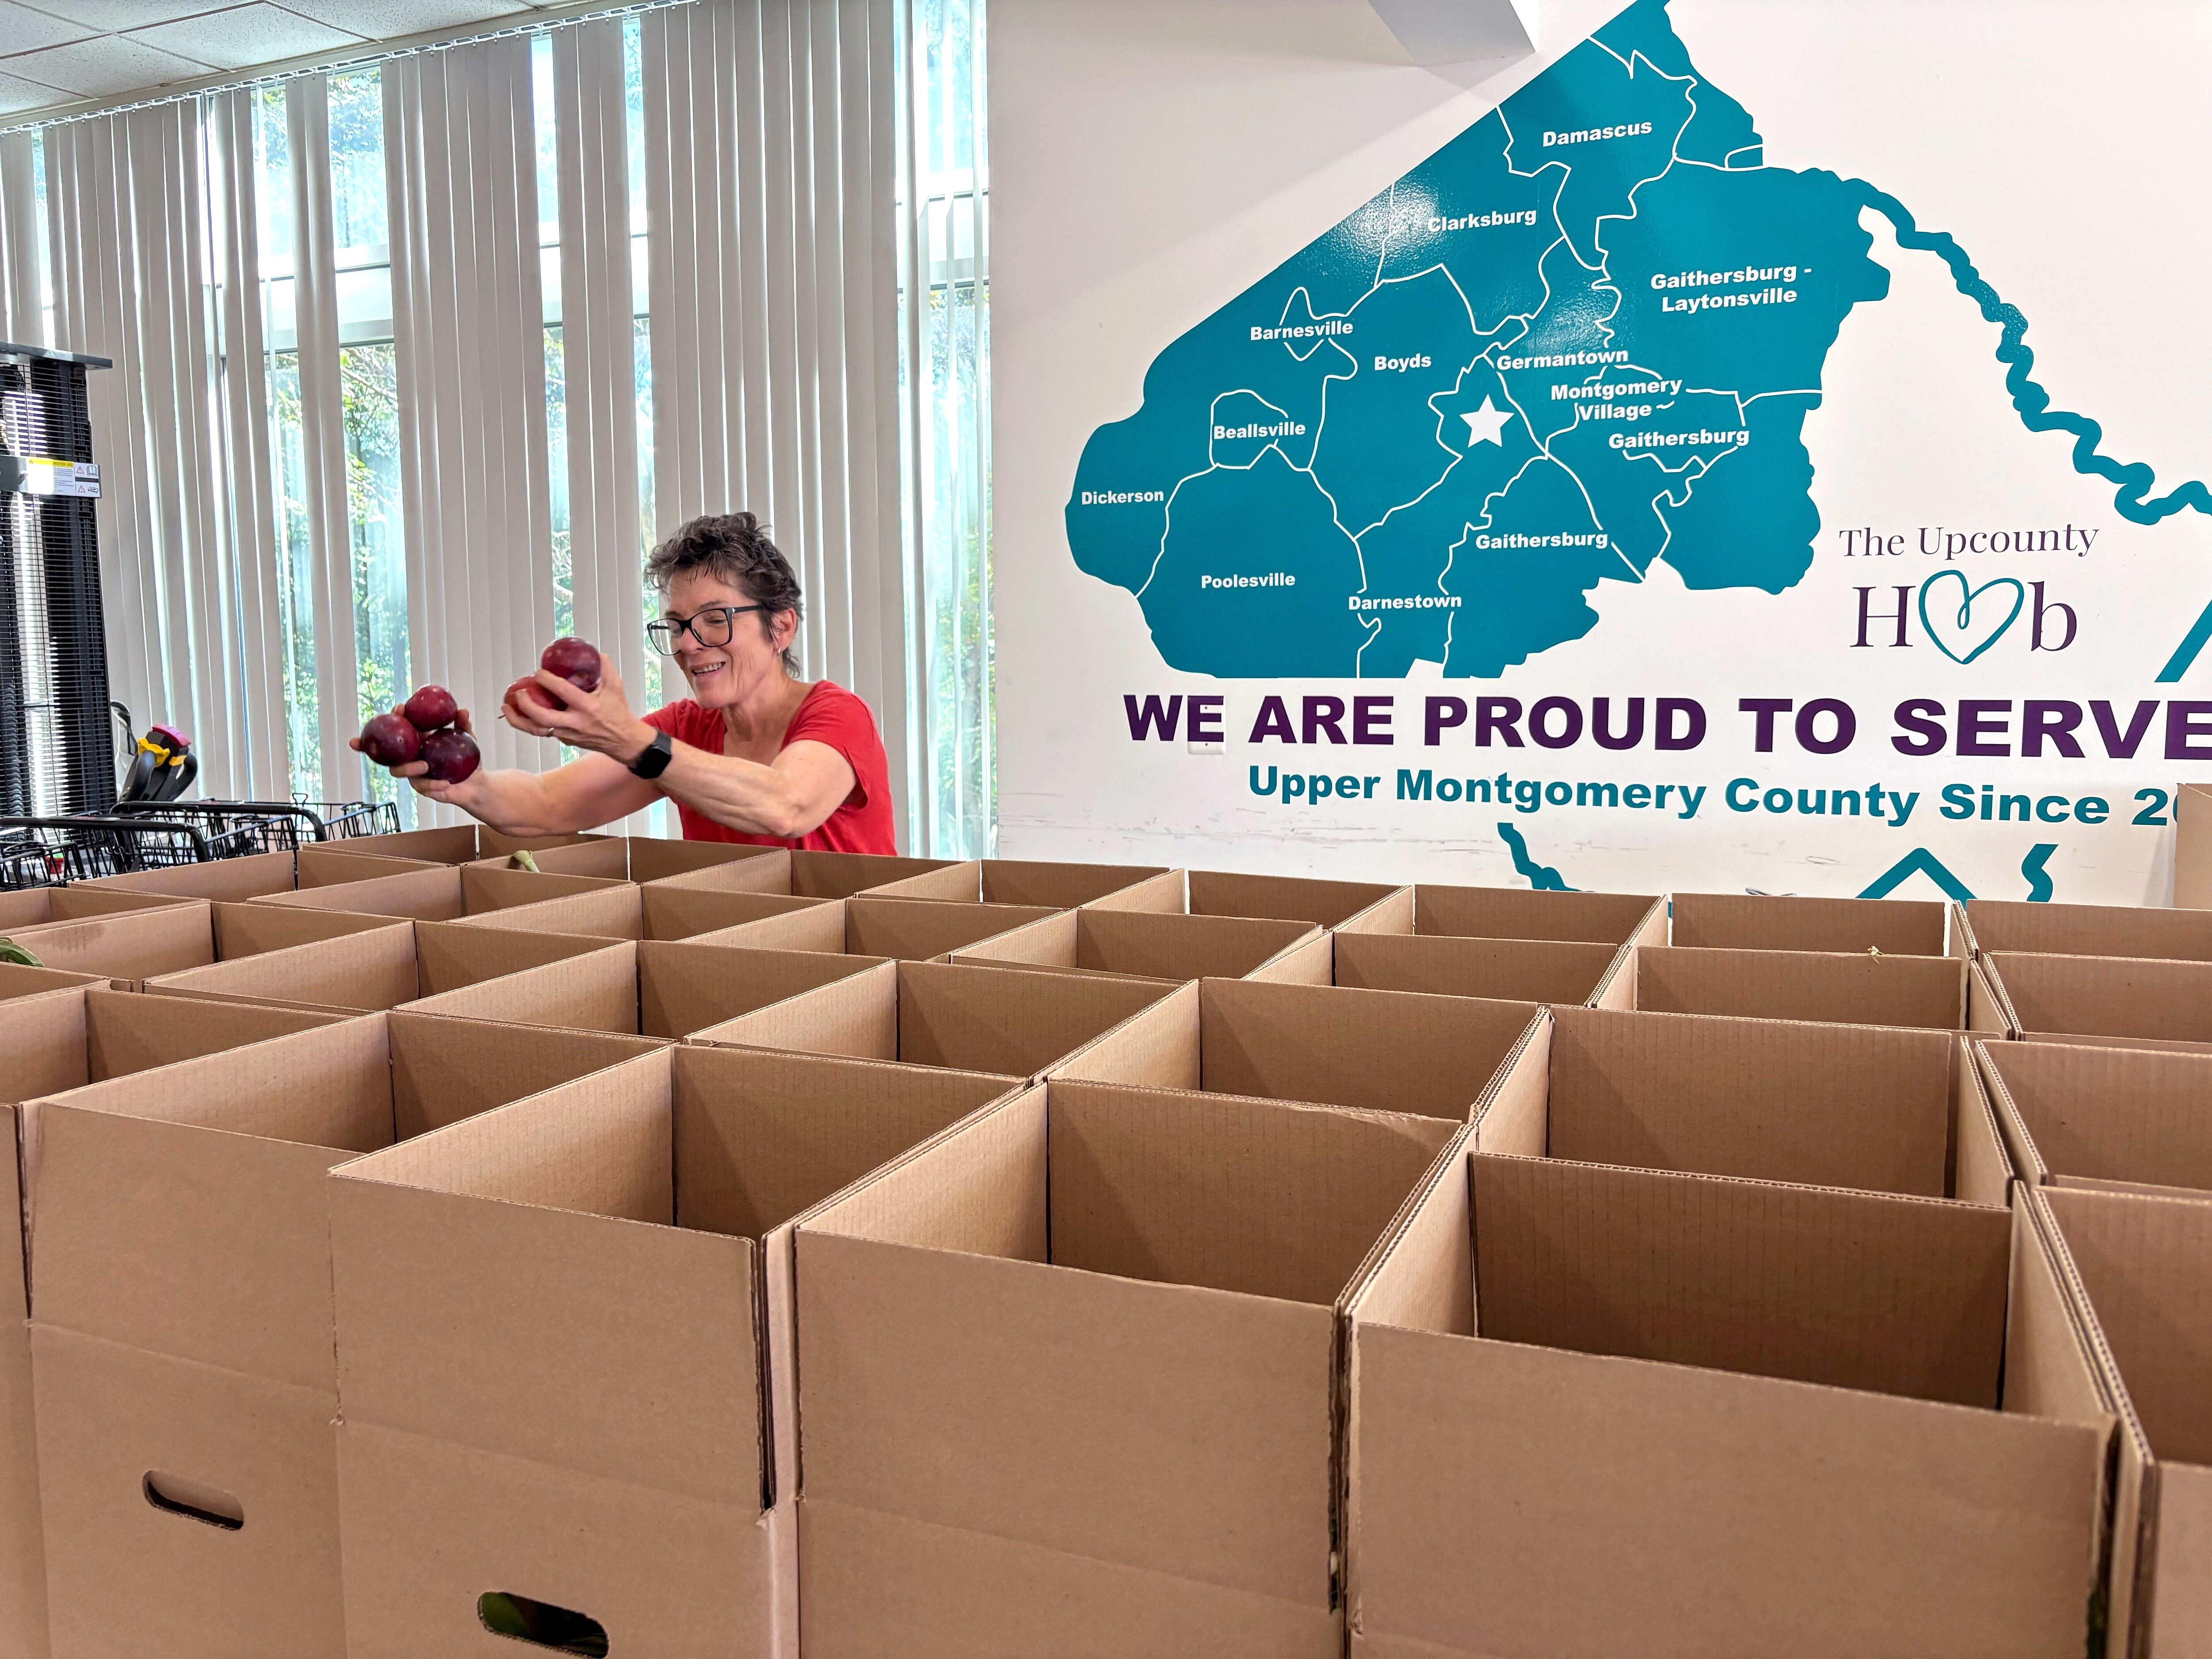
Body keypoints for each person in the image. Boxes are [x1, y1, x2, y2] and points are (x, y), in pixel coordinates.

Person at [364, 512, 897, 851]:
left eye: (716, 619)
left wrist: (628, 739)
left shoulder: (836, 714)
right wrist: (466, 782)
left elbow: (785, 806)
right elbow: (548, 804)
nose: (687, 644)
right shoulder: (683, 730)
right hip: (743, 969)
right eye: (678, 625)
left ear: (780, 626)